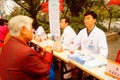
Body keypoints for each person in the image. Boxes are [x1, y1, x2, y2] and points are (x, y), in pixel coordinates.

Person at [0, 15, 53, 80]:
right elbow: (45, 70)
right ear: (23, 30)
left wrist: (41, 54)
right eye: (31, 27)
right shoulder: (25, 52)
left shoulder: (8, 44)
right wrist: (48, 52)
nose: (32, 30)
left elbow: (28, 61)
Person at [73, 11, 108, 80]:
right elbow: (75, 43)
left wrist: (98, 64)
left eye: (88, 18)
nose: (86, 20)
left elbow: (104, 51)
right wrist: (70, 51)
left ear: (94, 20)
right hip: (82, 58)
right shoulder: (82, 32)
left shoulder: (100, 33)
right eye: (85, 19)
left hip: (94, 60)